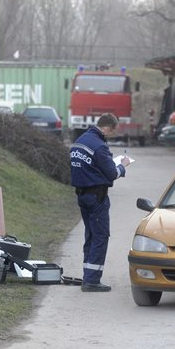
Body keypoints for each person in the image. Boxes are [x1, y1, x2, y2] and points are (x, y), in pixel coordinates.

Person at [69, 113, 131, 292]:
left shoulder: (80, 140)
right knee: (100, 236)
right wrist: (123, 165)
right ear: (107, 127)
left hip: (82, 194)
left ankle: (87, 276)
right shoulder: (100, 147)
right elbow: (112, 174)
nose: (113, 134)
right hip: (97, 197)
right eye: (114, 130)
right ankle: (92, 281)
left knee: (90, 235)